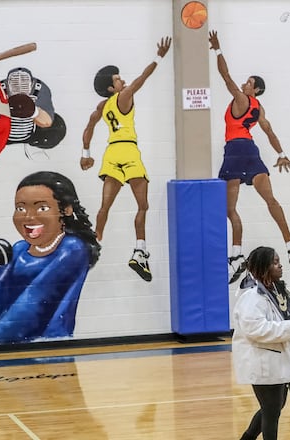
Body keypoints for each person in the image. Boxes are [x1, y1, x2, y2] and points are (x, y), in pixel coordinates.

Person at [208, 30, 290, 284]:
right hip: (252, 152)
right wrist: (281, 153)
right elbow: (269, 130)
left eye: (249, 82)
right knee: (271, 201)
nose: (244, 84)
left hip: (235, 150)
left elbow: (225, 76)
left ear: (254, 89)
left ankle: (236, 256)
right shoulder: (258, 109)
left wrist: (218, 49)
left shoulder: (242, 100)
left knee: (230, 209)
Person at [0, 171, 102, 346]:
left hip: (44, 363)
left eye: (41, 207)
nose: (28, 216)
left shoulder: (72, 249)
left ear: (66, 209)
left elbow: (23, 322)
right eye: (20, 208)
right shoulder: (19, 250)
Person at [80, 36, 171, 282]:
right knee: (142, 205)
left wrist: (86, 153)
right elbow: (142, 78)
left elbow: (89, 126)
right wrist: (159, 57)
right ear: (112, 87)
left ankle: (95, 243)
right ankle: (140, 250)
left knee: (104, 207)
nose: (122, 79)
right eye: (117, 78)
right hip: (129, 151)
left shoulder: (102, 105)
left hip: (111, 153)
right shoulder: (123, 97)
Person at [231, 246, 290, 440]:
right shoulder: (251, 296)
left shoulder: (275, 290)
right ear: (263, 268)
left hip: (277, 359)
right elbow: (255, 329)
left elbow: (281, 314)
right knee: (272, 411)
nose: (280, 265)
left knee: (273, 407)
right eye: (275, 263)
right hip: (262, 362)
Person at [1, 67, 66, 149]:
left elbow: (47, 121)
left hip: (33, 130)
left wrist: (33, 111)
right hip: (3, 130)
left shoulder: (39, 88)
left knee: (57, 124)